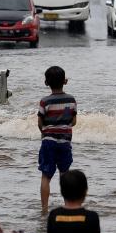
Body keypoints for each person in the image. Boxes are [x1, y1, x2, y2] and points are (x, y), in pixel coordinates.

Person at [38, 66, 77, 212]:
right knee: (65, 175)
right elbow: (73, 121)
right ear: (65, 81)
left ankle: (44, 208)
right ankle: (68, 205)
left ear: (46, 82)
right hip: (65, 142)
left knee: (46, 176)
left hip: (48, 141)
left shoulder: (44, 102)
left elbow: (40, 123)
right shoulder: (71, 100)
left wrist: (45, 132)